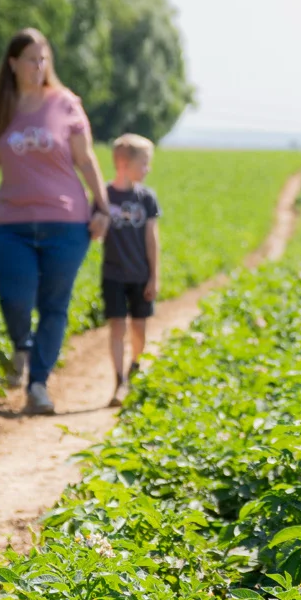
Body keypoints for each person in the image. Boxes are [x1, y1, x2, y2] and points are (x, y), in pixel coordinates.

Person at [0, 27, 109, 415]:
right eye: (32, 59)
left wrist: (102, 206)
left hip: (67, 224)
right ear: (13, 64)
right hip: (12, 225)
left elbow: (86, 160)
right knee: (14, 296)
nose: (39, 66)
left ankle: (38, 385)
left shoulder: (66, 104)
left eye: (44, 59)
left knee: (55, 304)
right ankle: (22, 345)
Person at [102, 132, 161, 405]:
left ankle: (135, 367)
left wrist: (154, 276)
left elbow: (152, 239)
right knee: (117, 327)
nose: (147, 169)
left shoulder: (147, 198)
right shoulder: (104, 196)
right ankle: (119, 380)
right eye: (144, 163)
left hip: (140, 274)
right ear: (124, 162)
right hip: (113, 274)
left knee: (139, 328)